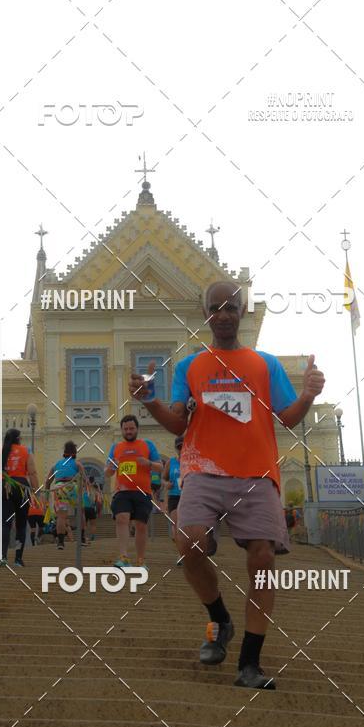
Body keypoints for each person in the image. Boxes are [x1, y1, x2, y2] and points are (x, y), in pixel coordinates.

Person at [129, 281, 325, 689]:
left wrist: (306, 395)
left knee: (262, 561)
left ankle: (249, 664)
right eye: (215, 307)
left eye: (231, 307)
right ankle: (219, 617)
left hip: (258, 474)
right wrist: (149, 401)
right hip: (203, 470)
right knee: (190, 541)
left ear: (241, 312)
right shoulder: (190, 367)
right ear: (206, 314)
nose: (223, 314)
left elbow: (287, 419)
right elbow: (180, 422)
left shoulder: (264, 364)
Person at [105, 414, 162, 572]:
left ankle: (140, 560)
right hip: (122, 491)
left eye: (131, 428)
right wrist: (112, 467)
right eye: (126, 429)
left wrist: (148, 463)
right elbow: (106, 473)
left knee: (141, 526)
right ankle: (123, 557)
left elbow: (160, 466)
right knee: (121, 519)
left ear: (137, 429)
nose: (129, 431)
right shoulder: (115, 447)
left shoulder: (147, 445)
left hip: (142, 492)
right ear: (122, 430)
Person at [0, 428, 38, 567]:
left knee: (5, 523)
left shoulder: (0, 451)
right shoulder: (26, 451)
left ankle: (2, 557)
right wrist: (36, 490)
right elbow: (32, 472)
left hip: (5, 487)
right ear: (19, 438)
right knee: (21, 524)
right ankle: (17, 559)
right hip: (22, 487)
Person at [45, 441, 89, 550]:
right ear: (74, 453)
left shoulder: (55, 465)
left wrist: (47, 495)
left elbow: (48, 482)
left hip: (59, 488)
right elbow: (85, 479)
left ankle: (60, 542)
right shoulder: (77, 463)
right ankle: (82, 538)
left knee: (61, 517)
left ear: (64, 453)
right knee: (80, 512)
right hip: (73, 487)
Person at [162, 436, 183, 563]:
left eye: (183, 446)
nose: (181, 449)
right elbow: (163, 478)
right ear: (176, 448)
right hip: (174, 496)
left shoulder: (192, 461)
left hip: (189, 496)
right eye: (179, 447)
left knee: (186, 527)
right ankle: (181, 554)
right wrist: (166, 484)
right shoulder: (171, 462)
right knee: (177, 524)